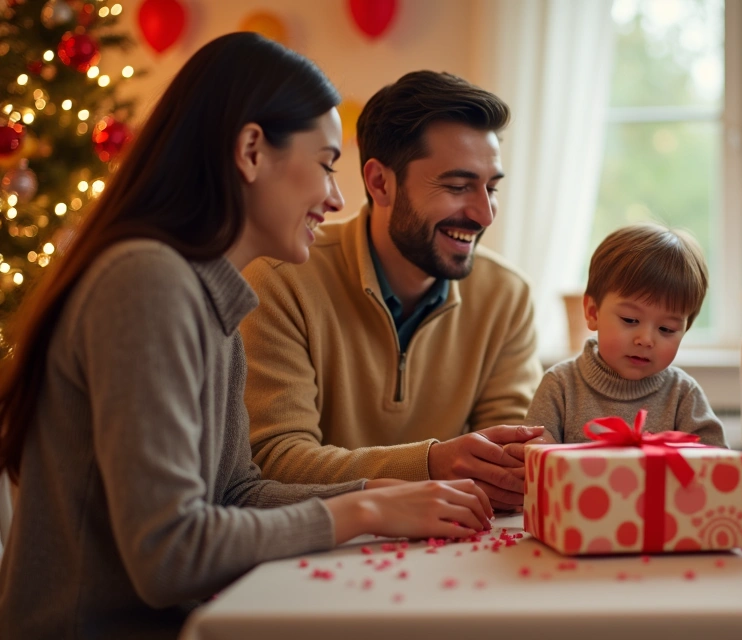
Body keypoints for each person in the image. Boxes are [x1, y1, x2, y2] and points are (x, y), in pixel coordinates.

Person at [0, 34, 491, 639]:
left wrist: (378, 491)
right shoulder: (146, 282)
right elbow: (168, 554)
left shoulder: (212, 298)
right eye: (326, 164)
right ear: (252, 150)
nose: (336, 198)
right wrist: (361, 510)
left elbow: (236, 491)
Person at [240, 71, 545, 512]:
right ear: (380, 182)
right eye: (458, 187)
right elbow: (271, 461)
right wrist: (429, 464)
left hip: (455, 550)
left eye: (491, 187)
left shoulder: (507, 296)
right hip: (317, 552)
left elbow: (510, 461)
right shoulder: (280, 279)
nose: (484, 213)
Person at [524, 223, 726, 447]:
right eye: (630, 320)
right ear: (592, 312)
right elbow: (533, 462)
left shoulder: (684, 395)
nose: (646, 339)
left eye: (666, 329)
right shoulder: (560, 386)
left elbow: (717, 465)